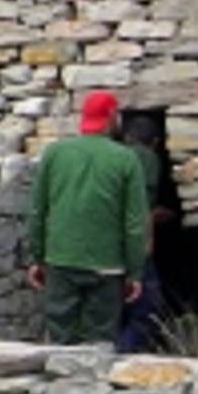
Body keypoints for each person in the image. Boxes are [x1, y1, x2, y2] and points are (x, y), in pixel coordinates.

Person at [25, 89, 146, 345]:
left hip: (60, 260)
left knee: (60, 339)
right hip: (107, 266)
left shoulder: (54, 153)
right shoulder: (126, 159)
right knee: (100, 340)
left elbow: (37, 210)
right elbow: (135, 223)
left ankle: (60, 371)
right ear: (111, 116)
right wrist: (134, 272)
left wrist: (37, 256)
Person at [115, 106, 176, 352]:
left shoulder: (115, 156)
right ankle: (124, 353)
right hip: (135, 243)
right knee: (147, 308)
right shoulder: (147, 158)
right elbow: (141, 206)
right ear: (157, 141)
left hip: (104, 244)